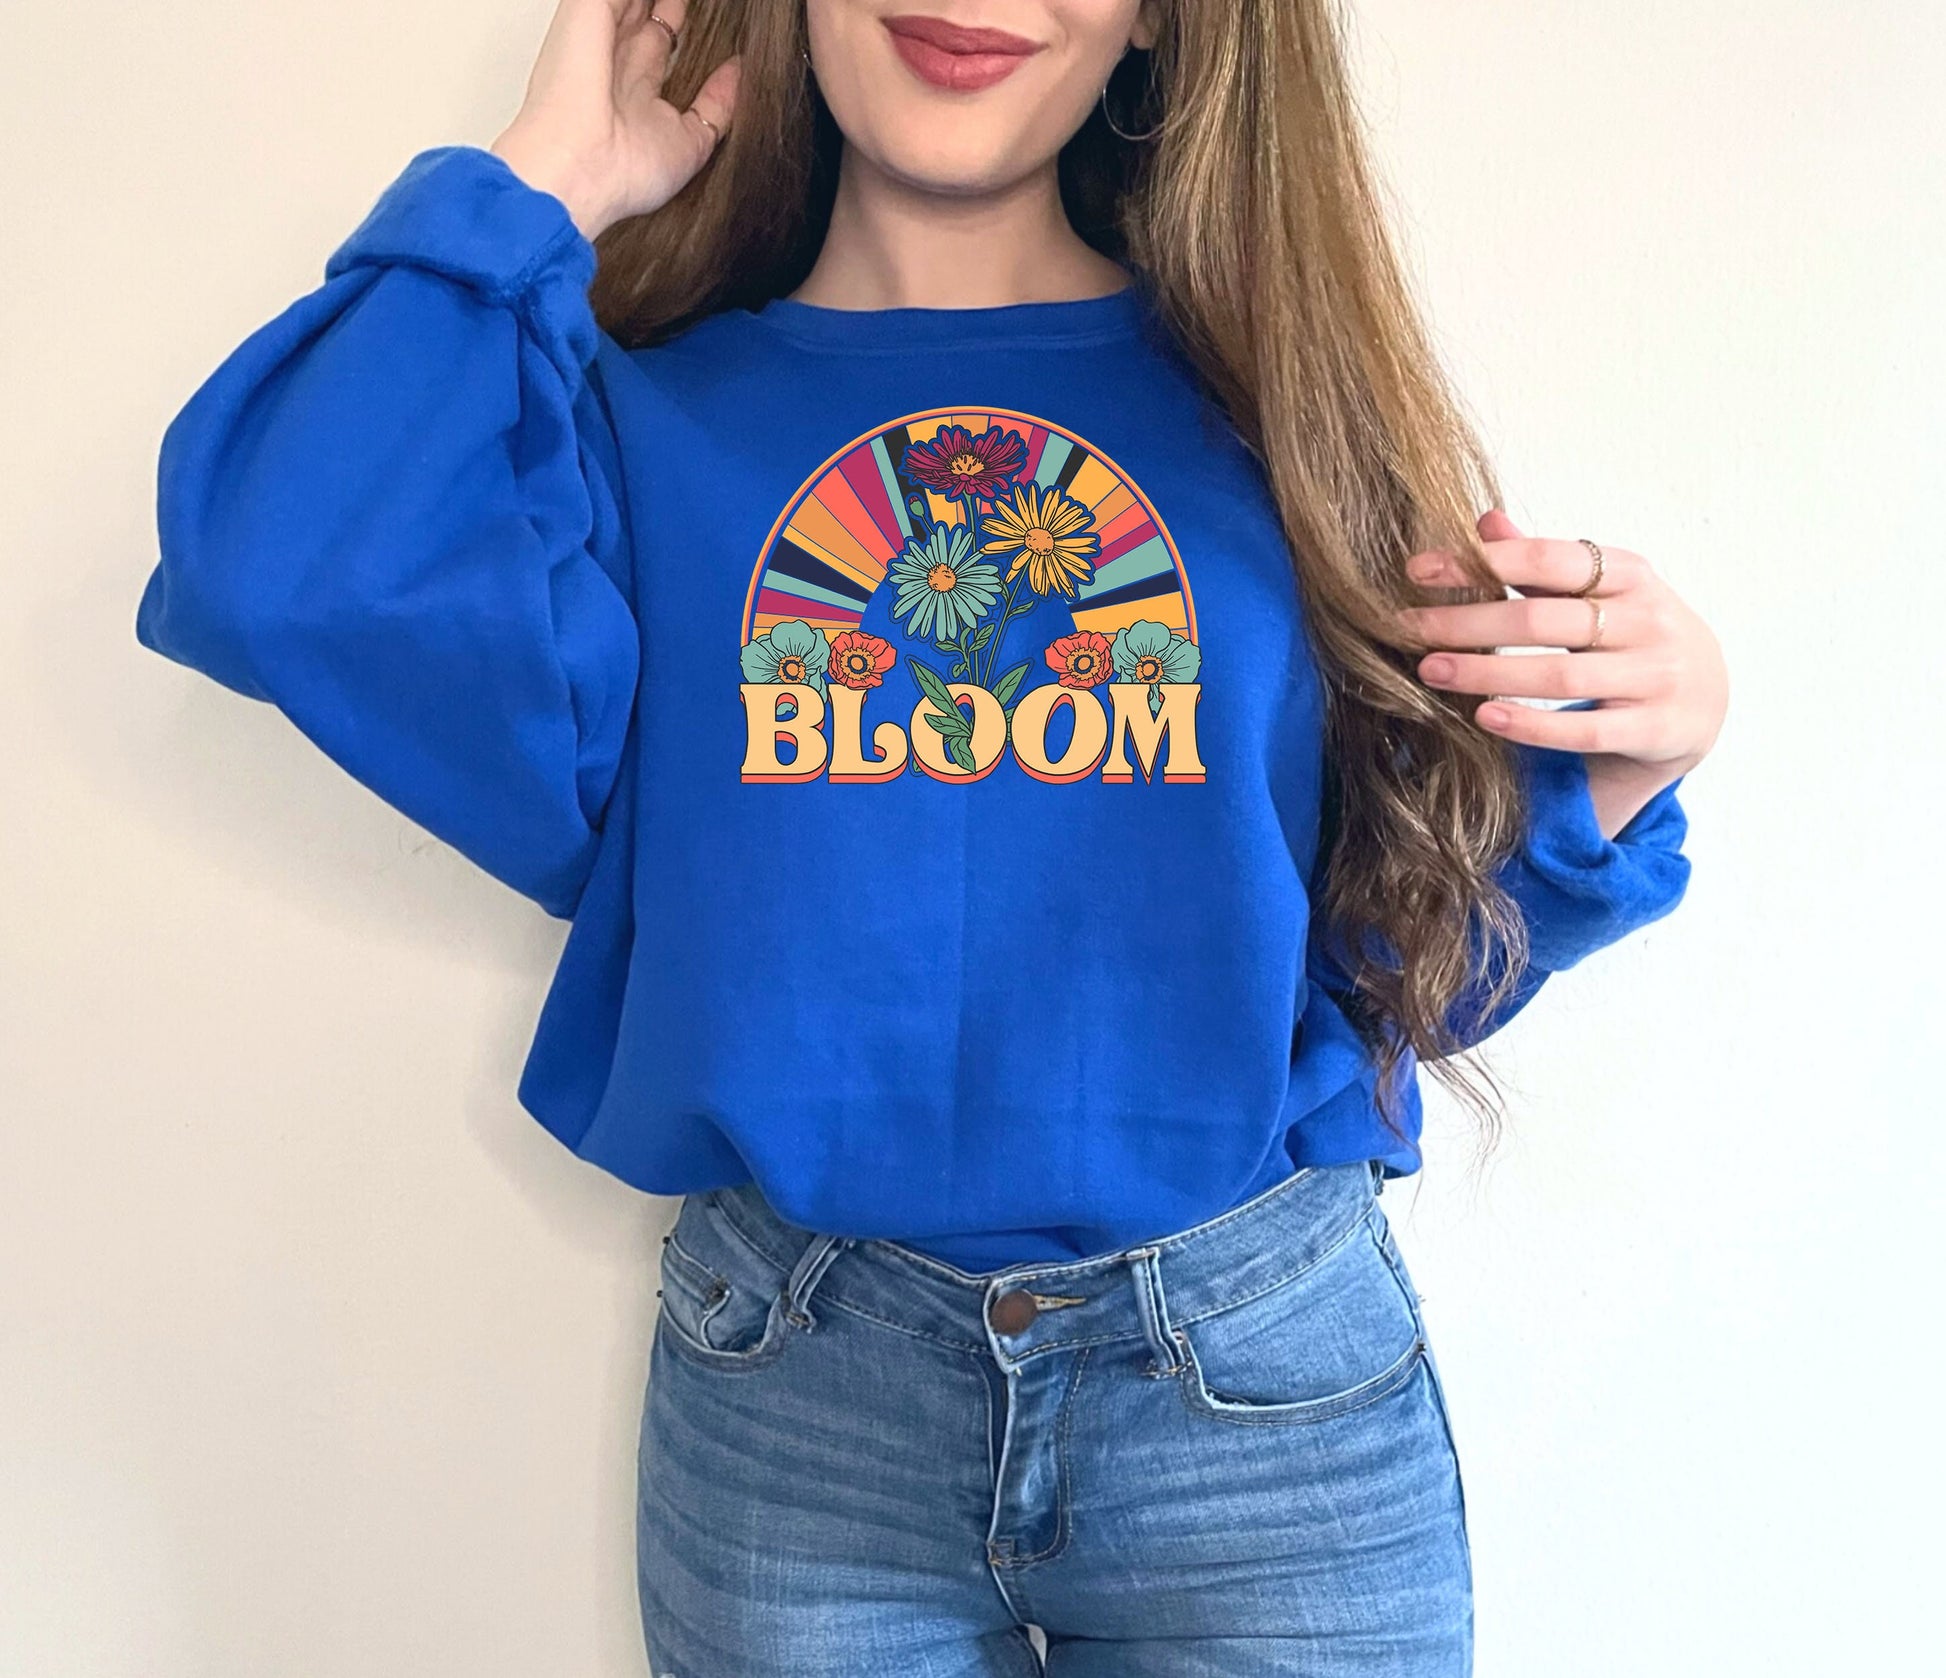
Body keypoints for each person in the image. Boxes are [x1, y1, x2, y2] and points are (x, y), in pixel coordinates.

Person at [132, 1, 1728, 1671]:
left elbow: (1396, 972)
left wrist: (1622, 770)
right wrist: (542, 183)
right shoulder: (634, 437)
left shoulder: (1285, 427)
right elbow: (277, 557)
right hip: (797, 1415)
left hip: (1257, 1405)